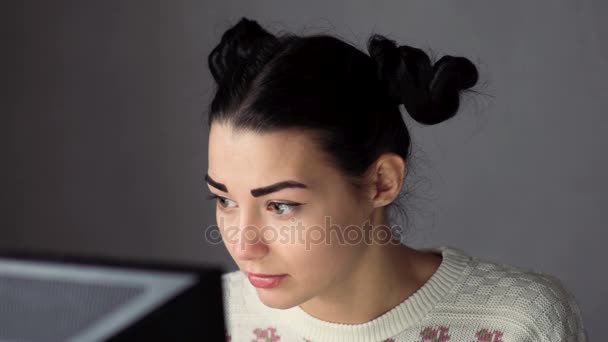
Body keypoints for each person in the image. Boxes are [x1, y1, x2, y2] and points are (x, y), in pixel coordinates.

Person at [205, 17, 588, 342]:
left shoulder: (518, 323)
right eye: (225, 200)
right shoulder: (211, 317)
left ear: (382, 182)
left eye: (280, 206)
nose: (243, 244)